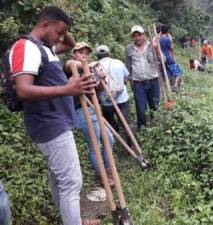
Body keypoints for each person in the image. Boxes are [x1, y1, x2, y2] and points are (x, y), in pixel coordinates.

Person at [10, 6, 100, 225]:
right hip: (49, 125)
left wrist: (61, 25)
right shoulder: (26, 47)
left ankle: (73, 220)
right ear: (44, 25)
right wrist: (67, 89)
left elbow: (70, 43)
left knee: (60, 181)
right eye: (58, 32)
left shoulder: (45, 48)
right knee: (71, 182)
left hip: (56, 122)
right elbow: (23, 90)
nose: (61, 37)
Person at [64, 42, 115, 188]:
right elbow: (69, 64)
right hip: (82, 110)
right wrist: (88, 65)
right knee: (95, 145)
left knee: (110, 140)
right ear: (74, 53)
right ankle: (103, 176)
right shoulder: (69, 67)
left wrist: (101, 78)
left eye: (87, 53)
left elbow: (98, 89)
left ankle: (107, 169)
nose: (84, 55)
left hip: (95, 108)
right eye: (81, 52)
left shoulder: (89, 69)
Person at [95, 45, 134, 148]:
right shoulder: (118, 62)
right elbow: (126, 77)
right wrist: (120, 86)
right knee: (126, 123)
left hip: (106, 101)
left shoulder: (95, 67)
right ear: (109, 54)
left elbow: (97, 87)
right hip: (122, 99)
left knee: (110, 122)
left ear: (97, 56)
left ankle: (115, 139)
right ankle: (131, 145)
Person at [125, 25, 160, 130]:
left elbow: (163, 59)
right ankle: (142, 130)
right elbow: (128, 66)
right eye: (134, 36)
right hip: (138, 84)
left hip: (153, 81)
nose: (137, 38)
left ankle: (156, 128)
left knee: (155, 106)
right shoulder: (129, 49)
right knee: (140, 109)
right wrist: (131, 82)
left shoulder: (152, 46)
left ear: (143, 35)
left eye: (139, 35)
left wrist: (157, 48)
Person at [158, 25, 183, 91]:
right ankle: (175, 86)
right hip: (168, 58)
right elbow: (171, 48)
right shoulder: (167, 39)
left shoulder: (159, 39)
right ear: (167, 31)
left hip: (162, 59)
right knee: (178, 72)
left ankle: (168, 87)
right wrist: (173, 57)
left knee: (168, 72)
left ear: (161, 31)